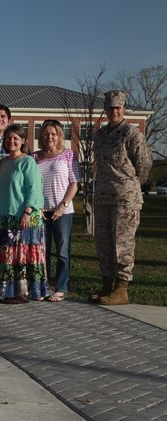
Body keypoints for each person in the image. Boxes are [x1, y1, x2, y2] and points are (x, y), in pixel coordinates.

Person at [91, 90, 152, 305]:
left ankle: (121, 288)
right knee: (104, 242)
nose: (114, 111)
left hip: (125, 199)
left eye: (118, 107)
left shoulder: (132, 134)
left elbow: (144, 165)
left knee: (122, 243)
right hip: (103, 196)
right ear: (106, 110)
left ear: (123, 109)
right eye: (110, 107)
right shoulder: (100, 134)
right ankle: (107, 285)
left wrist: (130, 185)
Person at [0, 124, 48, 304]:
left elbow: (35, 189)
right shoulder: (3, 162)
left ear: (23, 141)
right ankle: (6, 291)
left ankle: (21, 293)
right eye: (8, 138)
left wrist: (27, 212)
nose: (11, 141)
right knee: (5, 255)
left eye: (15, 138)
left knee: (21, 256)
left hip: (22, 216)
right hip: (3, 217)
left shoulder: (28, 162)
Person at [32, 120, 80, 302]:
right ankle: (42, 287)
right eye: (46, 134)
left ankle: (60, 287)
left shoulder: (69, 155)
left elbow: (74, 183)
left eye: (53, 134)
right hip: (42, 211)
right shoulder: (35, 157)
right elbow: (32, 184)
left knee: (62, 251)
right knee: (42, 252)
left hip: (63, 212)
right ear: (41, 136)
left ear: (60, 136)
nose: (50, 137)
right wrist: (38, 206)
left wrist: (63, 206)